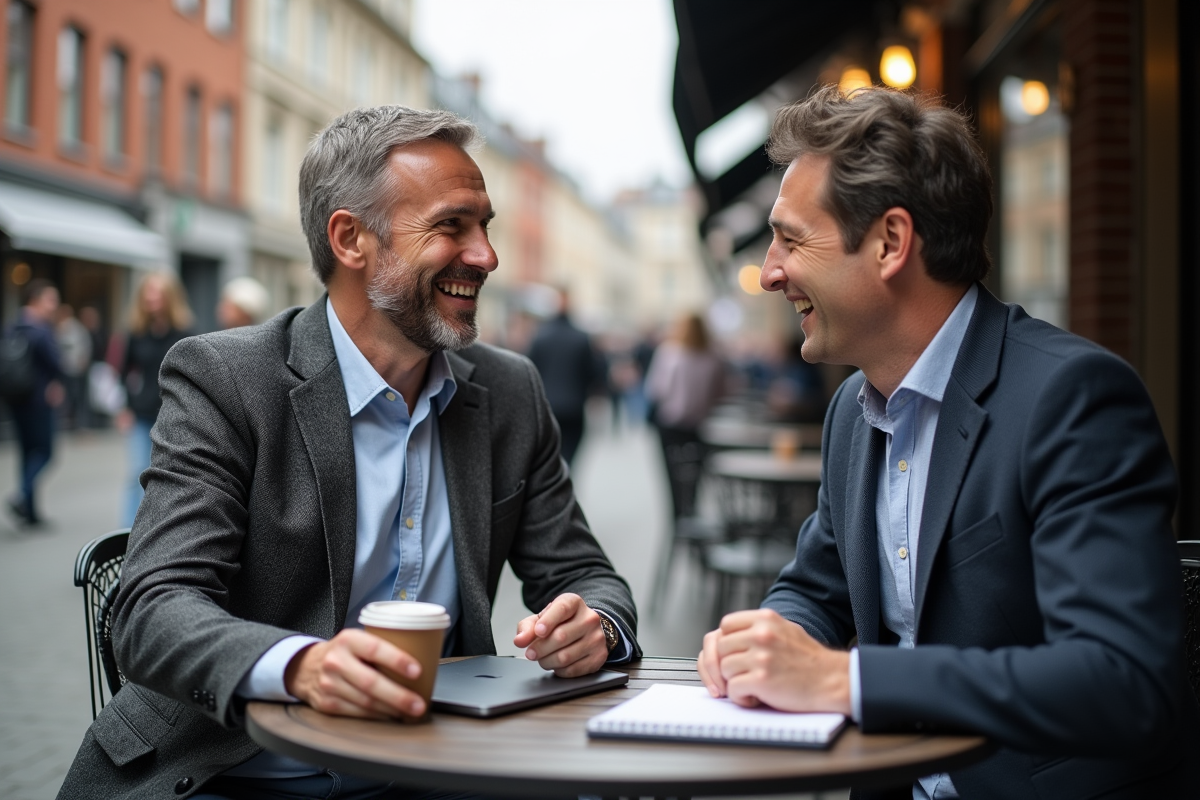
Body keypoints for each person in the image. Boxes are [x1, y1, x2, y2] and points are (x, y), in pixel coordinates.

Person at [59, 105, 640, 800]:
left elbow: (585, 573)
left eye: (485, 226)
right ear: (350, 238)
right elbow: (152, 607)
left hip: (433, 770)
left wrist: (597, 626)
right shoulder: (227, 378)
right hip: (231, 769)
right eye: (452, 225)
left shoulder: (509, 391)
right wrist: (301, 666)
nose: (486, 255)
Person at [697, 86, 1200, 799]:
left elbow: (1122, 680)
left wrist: (845, 680)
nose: (771, 271)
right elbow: (816, 587)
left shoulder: (1072, 398)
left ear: (891, 243)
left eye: (793, 239)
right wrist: (765, 640)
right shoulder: (851, 413)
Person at [116, 271, 194, 527]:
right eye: (147, 293)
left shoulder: (185, 332)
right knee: (136, 472)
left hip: (172, 414)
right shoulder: (137, 332)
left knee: (170, 474)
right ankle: (128, 533)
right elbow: (123, 372)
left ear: (169, 297)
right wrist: (126, 406)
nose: (151, 298)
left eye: (157, 293)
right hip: (141, 414)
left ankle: (162, 530)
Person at [644, 312, 724, 520]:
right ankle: (690, 514)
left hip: (670, 424)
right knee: (694, 475)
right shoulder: (713, 357)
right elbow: (720, 393)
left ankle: (676, 519)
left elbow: (656, 389)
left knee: (672, 475)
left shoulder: (669, 352)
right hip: (699, 425)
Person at [3, 279, 62, 526]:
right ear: (35, 300)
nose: (54, 305)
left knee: (27, 453)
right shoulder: (41, 330)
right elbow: (57, 364)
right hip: (39, 400)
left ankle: (30, 513)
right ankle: (22, 495)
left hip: (15, 399)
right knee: (45, 452)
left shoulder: (12, 327)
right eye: (50, 299)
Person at [526, 287, 602, 465]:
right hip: (574, 406)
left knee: (548, 457)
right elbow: (592, 373)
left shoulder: (540, 336)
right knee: (568, 458)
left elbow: (529, 369)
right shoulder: (581, 338)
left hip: (547, 405)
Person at [55, 303, 93, 430]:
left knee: (77, 397)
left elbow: (85, 347)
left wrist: (83, 361)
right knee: (67, 397)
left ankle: (78, 423)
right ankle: (68, 421)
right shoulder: (58, 329)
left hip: (75, 370)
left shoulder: (77, 329)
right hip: (65, 369)